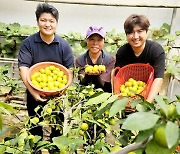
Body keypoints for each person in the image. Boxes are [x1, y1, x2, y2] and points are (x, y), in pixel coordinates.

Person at [18, 3, 74, 144]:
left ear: (56, 23)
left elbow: (70, 69)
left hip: (58, 95)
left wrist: (64, 89)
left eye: (51, 21)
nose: (47, 24)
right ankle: (35, 149)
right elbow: (23, 68)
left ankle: (54, 149)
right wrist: (32, 91)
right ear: (37, 22)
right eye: (43, 20)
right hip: (34, 92)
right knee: (35, 127)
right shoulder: (28, 43)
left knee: (57, 128)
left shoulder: (63, 45)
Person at [115, 14, 165, 103]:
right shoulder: (122, 52)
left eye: (140, 31)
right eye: (131, 32)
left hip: (150, 96)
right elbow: (118, 78)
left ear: (146, 32)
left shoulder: (156, 50)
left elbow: (158, 78)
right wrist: (120, 101)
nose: (135, 36)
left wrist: (147, 103)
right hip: (128, 98)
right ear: (126, 35)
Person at [75, 26, 115, 92]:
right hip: (85, 95)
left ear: (104, 41)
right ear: (86, 40)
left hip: (105, 95)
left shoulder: (110, 60)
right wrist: (86, 74)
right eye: (92, 39)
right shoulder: (80, 60)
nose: (95, 43)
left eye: (99, 40)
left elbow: (104, 84)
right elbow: (82, 82)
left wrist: (97, 76)